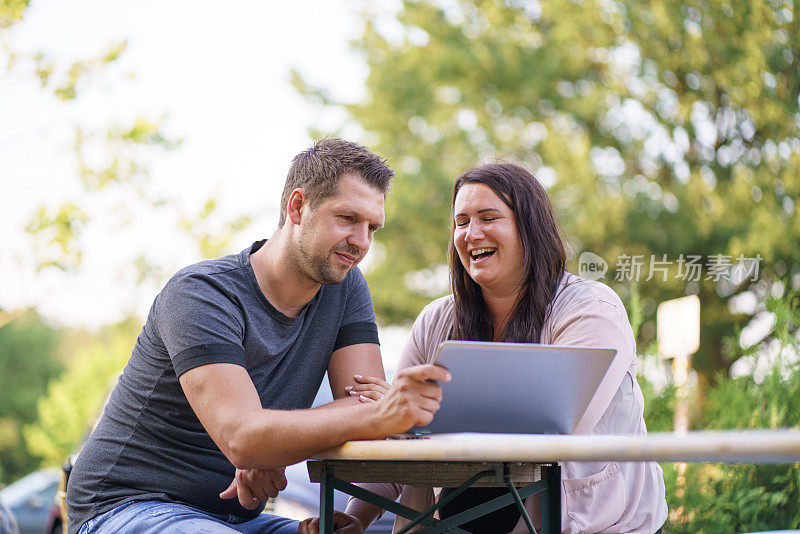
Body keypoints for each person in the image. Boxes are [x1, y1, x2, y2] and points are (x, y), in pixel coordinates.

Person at [66, 138, 450, 534]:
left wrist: (271, 443)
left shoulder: (346, 289)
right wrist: (257, 442)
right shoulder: (201, 293)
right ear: (298, 207)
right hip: (128, 506)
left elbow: (362, 405)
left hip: (238, 519)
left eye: (372, 227)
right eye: (348, 219)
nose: (362, 241)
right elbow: (251, 436)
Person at [305, 162, 668, 533]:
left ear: (530, 228)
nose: (471, 233)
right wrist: (357, 516)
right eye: (461, 222)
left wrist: (414, 417)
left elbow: (559, 428)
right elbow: (394, 447)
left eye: (488, 217)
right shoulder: (436, 320)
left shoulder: (590, 310)